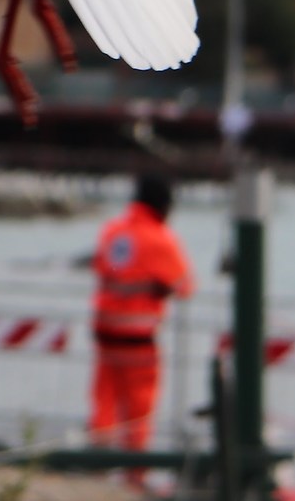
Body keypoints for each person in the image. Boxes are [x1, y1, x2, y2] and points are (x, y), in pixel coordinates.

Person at [90, 173, 194, 454]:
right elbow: (185, 286)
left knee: (105, 400)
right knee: (138, 407)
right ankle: (134, 471)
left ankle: (97, 463)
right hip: (137, 338)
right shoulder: (160, 239)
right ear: (163, 205)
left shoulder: (112, 231)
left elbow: (100, 268)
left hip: (104, 332)